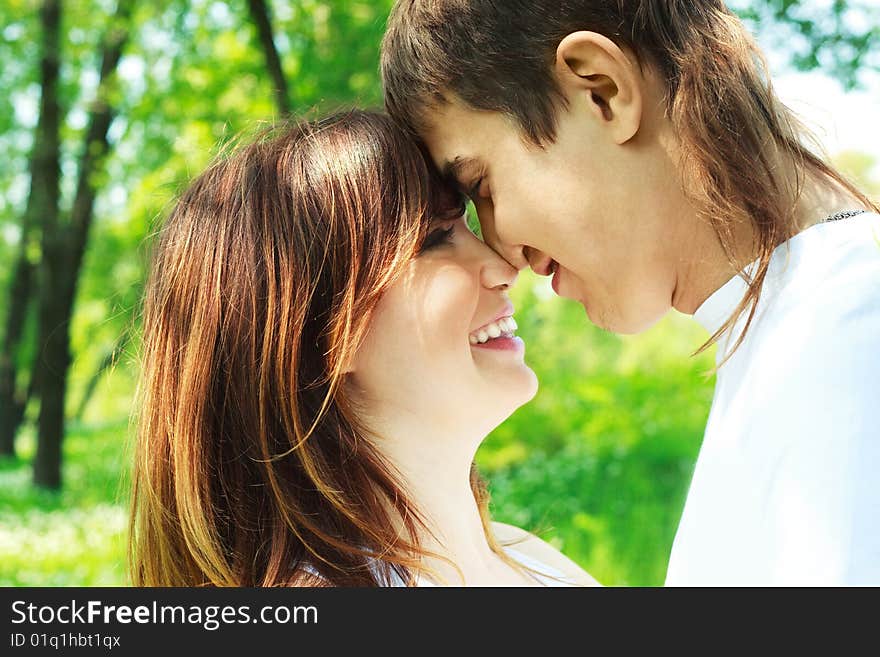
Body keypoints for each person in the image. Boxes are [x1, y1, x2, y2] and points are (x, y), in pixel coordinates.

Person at [381, 0, 880, 585]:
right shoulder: (801, 333)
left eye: (481, 184)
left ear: (602, 90)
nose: (501, 249)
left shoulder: (849, 349)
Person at [128, 110, 597, 587]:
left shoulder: (531, 559)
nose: (504, 266)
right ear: (323, 336)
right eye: (435, 240)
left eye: (467, 228)